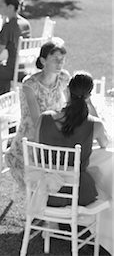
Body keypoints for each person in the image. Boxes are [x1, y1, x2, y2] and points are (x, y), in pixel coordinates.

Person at [5, 38, 71, 189]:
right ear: (43, 60)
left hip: (56, 134)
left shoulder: (63, 78)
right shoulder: (30, 84)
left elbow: (70, 105)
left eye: (62, 59)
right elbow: (37, 120)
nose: (60, 63)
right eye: (55, 59)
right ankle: (48, 199)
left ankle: (58, 200)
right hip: (31, 140)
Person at [37, 72, 109, 206]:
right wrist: (89, 104)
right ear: (88, 96)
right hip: (79, 194)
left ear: (67, 91)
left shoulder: (44, 118)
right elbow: (105, 144)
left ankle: (58, 223)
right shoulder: (95, 125)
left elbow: (37, 150)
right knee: (105, 185)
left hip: (47, 191)